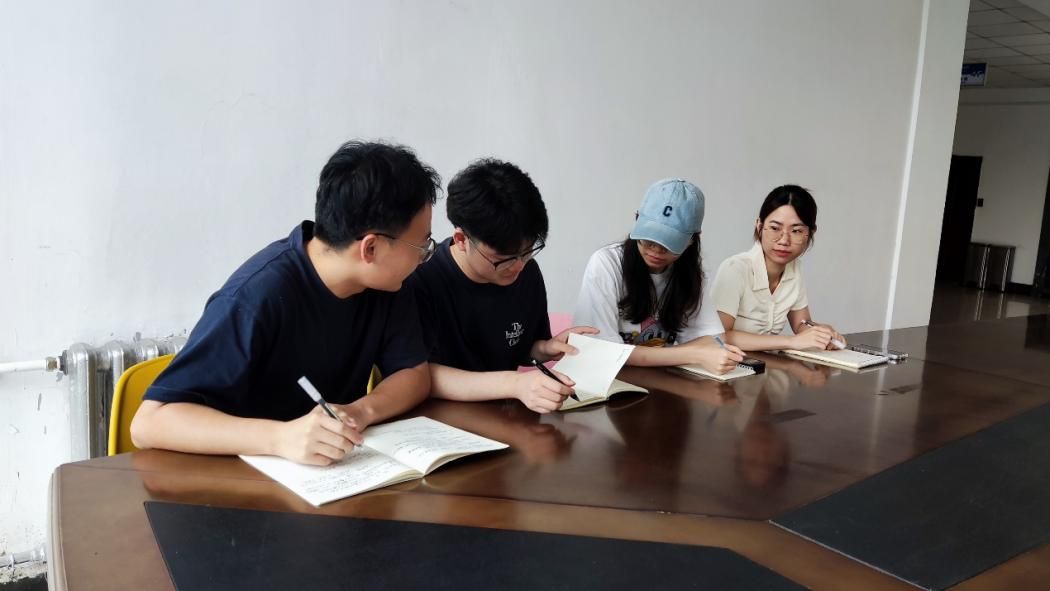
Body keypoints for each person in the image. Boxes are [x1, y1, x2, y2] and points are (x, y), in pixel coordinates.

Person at [131, 140, 440, 465]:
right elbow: (150, 423)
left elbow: (413, 373)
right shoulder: (255, 297)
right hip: (239, 477)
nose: (424, 257)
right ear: (371, 248)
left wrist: (360, 411)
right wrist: (280, 438)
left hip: (329, 474)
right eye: (421, 247)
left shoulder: (386, 284)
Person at [406, 159, 596, 414]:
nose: (517, 266)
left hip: (504, 415)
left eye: (527, 252)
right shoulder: (421, 280)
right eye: (503, 259)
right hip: (440, 419)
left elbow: (518, 348)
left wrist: (544, 349)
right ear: (461, 239)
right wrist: (515, 384)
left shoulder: (526, 272)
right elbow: (420, 375)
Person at [573, 178, 744, 374]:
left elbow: (713, 340)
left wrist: (703, 352)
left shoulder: (691, 274)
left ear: (692, 239)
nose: (656, 249)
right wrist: (695, 354)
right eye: (649, 237)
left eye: (669, 242)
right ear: (637, 219)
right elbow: (604, 351)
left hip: (660, 379)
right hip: (608, 379)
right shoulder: (606, 264)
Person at [710, 185, 845, 352]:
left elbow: (801, 324)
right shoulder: (735, 269)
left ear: (810, 233)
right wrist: (791, 342)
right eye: (775, 228)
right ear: (759, 226)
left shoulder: (794, 269)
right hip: (730, 363)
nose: (784, 241)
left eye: (796, 231)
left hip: (767, 363)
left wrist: (821, 333)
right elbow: (718, 336)